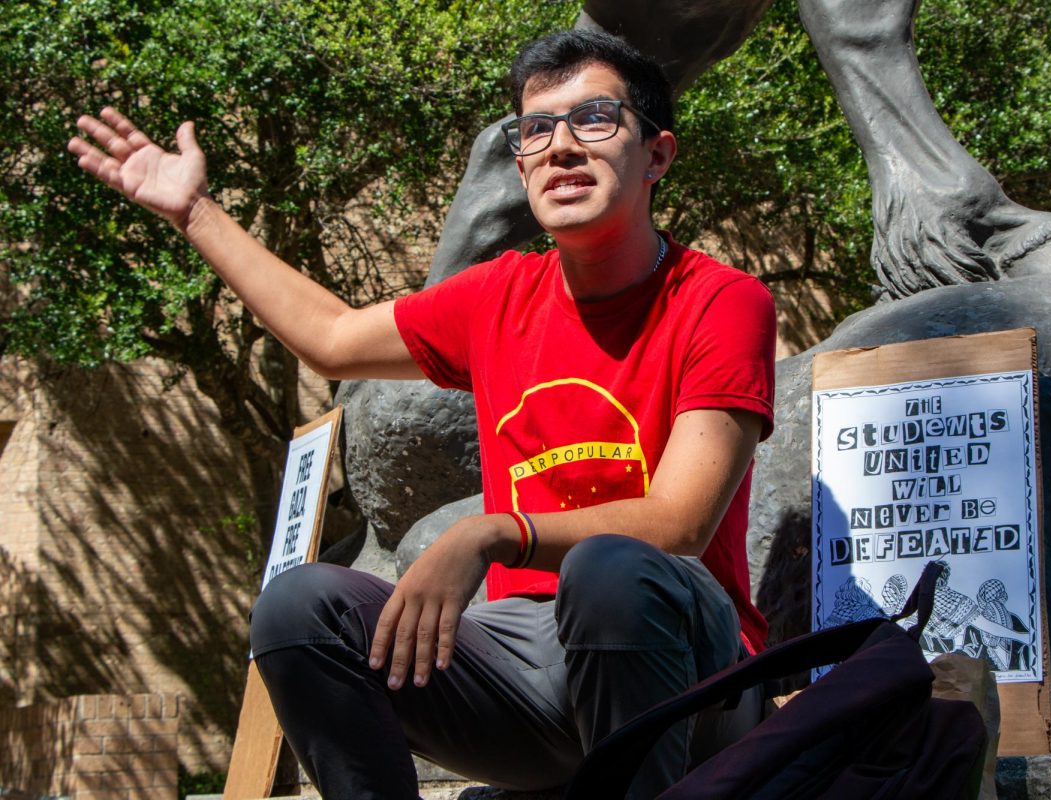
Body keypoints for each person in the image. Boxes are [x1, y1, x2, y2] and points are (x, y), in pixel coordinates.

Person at [69, 30, 775, 798]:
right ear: (521, 164)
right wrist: (195, 212)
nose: (561, 147)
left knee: (607, 571)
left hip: (689, 672)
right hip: (527, 671)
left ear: (657, 155)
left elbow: (679, 524)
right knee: (301, 607)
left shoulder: (720, 301)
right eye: (536, 129)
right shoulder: (499, 296)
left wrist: (493, 531)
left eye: (595, 119)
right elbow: (331, 340)